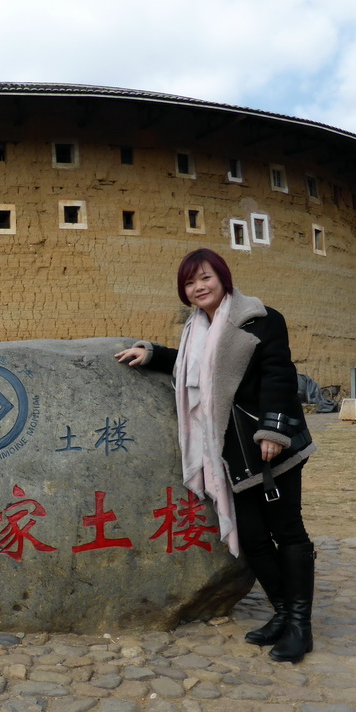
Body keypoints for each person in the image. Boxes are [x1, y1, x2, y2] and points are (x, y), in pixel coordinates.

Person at [116, 248, 317, 663]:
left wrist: (273, 430)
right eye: (190, 283)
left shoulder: (259, 319)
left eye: (205, 277)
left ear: (223, 277)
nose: (198, 287)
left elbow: (279, 373)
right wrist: (153, 353)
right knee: (254, 538)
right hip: (229, 452)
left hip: (265, 445)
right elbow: (198, 369)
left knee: (288, 531)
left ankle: (300, 625)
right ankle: (281, 613)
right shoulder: (195, 331)